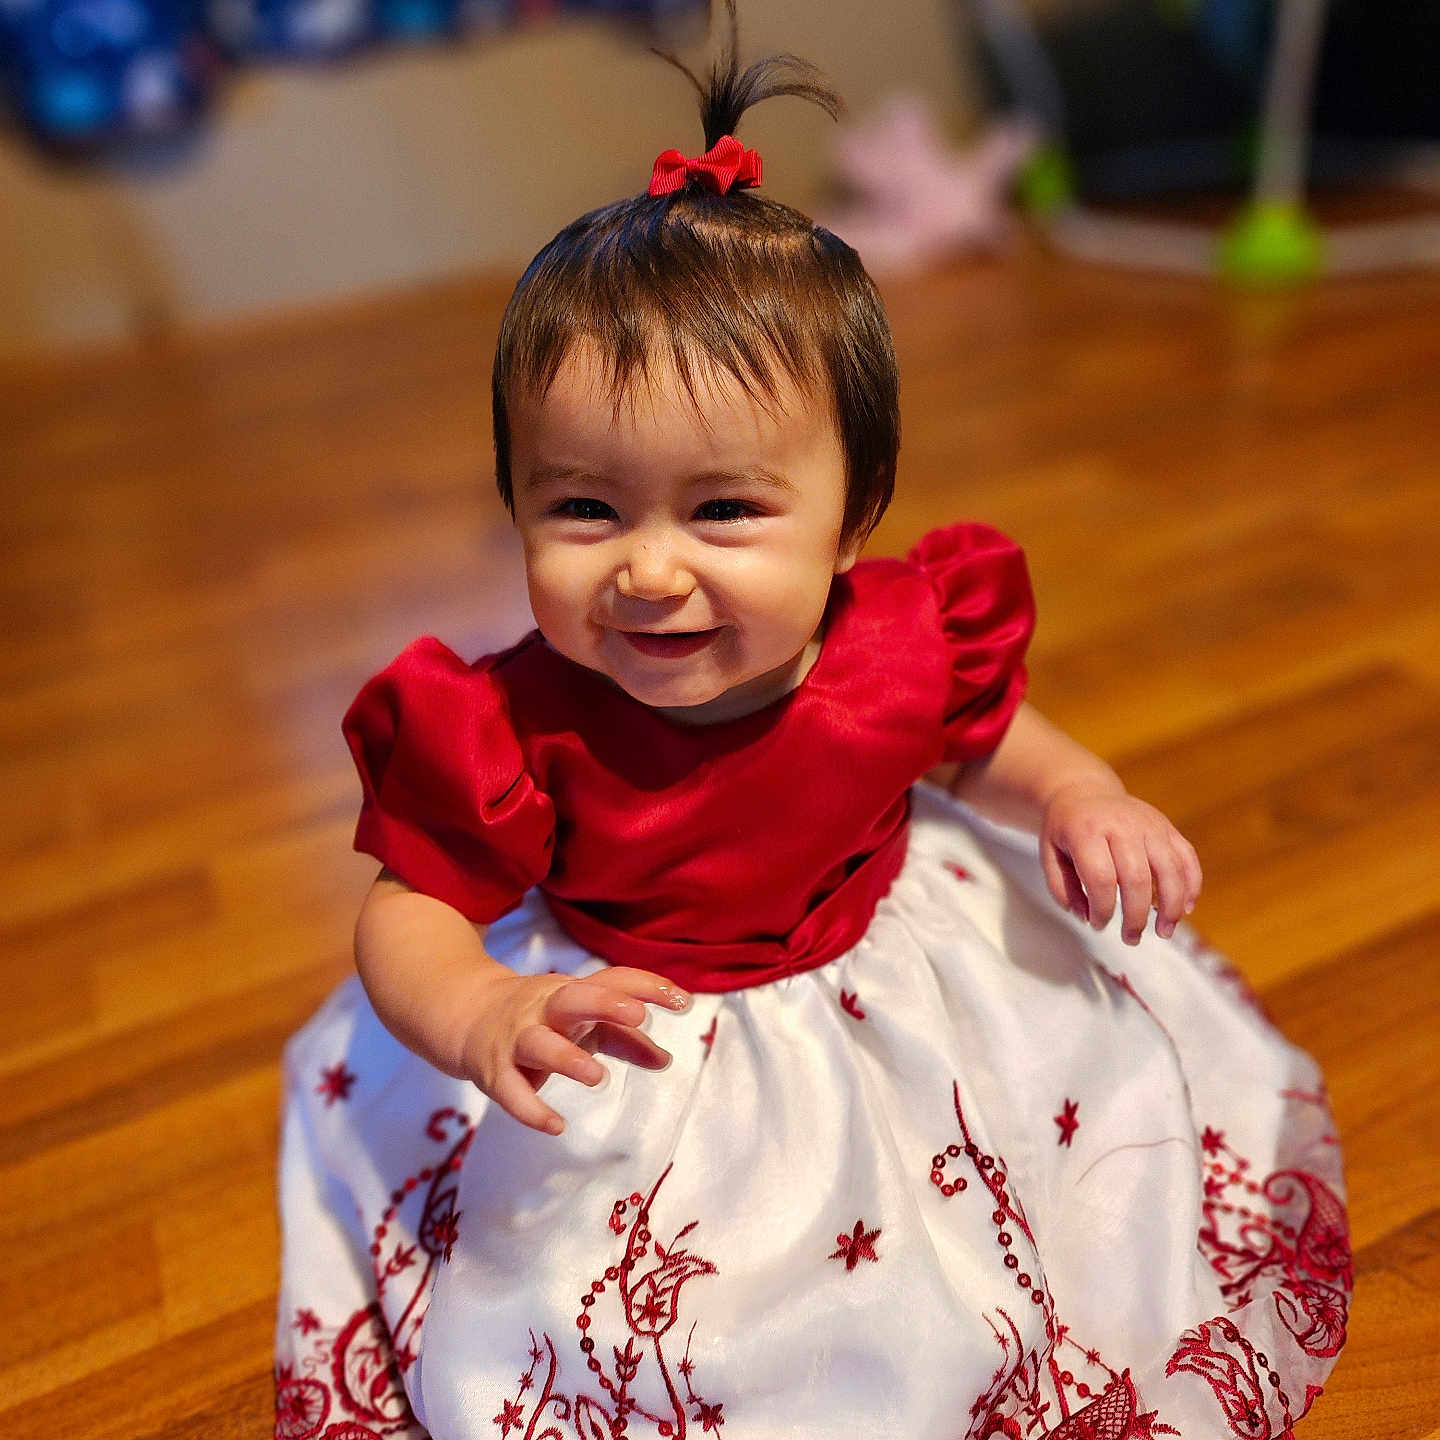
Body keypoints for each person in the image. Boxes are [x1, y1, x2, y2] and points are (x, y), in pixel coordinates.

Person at [273, 18, 1350, 1440]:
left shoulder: (906, 636)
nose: (649, 570)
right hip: (636, 1042)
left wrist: (1083, 795)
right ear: (516, 501)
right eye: (582, 507)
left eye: (722, 511)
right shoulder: (508, 722)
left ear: (854, 523)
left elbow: (986, 742)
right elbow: (410, 909)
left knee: (1001, 1243)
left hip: (897, 993)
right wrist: (480, 1012)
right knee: (666, 1327)